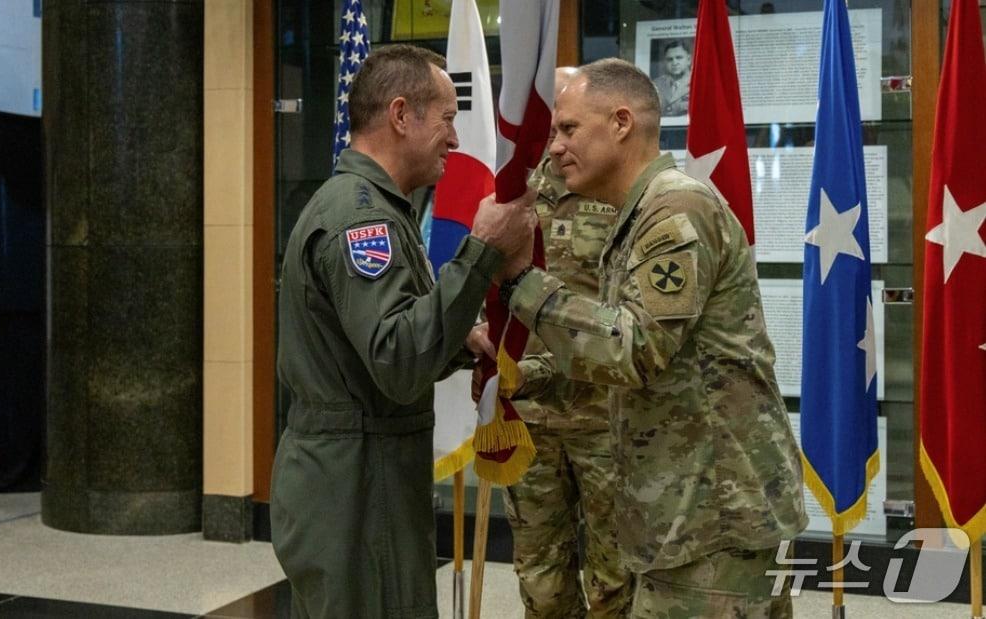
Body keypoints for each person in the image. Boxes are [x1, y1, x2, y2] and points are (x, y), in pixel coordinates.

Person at [495, 58, 807, 617]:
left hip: (714, 521)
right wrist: (526, 372)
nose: (555, 148)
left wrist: (523, 283)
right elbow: (636, 353)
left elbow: (633, 350)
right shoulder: (638, 212)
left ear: (620, 123)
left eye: (568, 130)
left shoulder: (674, 211)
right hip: (682, 517)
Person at [270, 44, 536, 619]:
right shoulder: (361, 219)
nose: (457, 140)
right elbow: (396, 360)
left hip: (365, 474)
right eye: (446, 118)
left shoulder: (379, 207)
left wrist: (459, 341)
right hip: (356, 487)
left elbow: (373, 349)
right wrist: (481, 251)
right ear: (400, 115)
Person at [499, 67, 634, 619]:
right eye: (550, 119)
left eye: (566, 121)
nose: (556, 136)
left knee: (614, 576)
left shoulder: (620, 187)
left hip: (606, 417)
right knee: (540, 576)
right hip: (530, 412)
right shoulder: (513, 189)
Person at [651, 40, 692, 117]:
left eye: (679, 58)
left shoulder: (698, 82)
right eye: (670, 59)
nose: (674, 63)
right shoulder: (656, 84)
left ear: (689, 60)